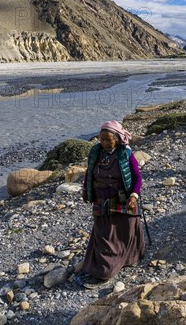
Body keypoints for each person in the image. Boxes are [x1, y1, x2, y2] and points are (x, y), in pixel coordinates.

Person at [79, 120, 145, 288]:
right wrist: (86, 189)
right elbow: (89, 171)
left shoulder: (125, 153)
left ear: (117, 138)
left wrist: (134, 196)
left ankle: (123, 261)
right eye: (102, 140)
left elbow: (137, 177)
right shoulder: (96, 153)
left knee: (126, 230)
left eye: (108, 140)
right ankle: (103, 269)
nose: (105, 143)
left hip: (122, 199)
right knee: (103, 235)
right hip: (101, 199)